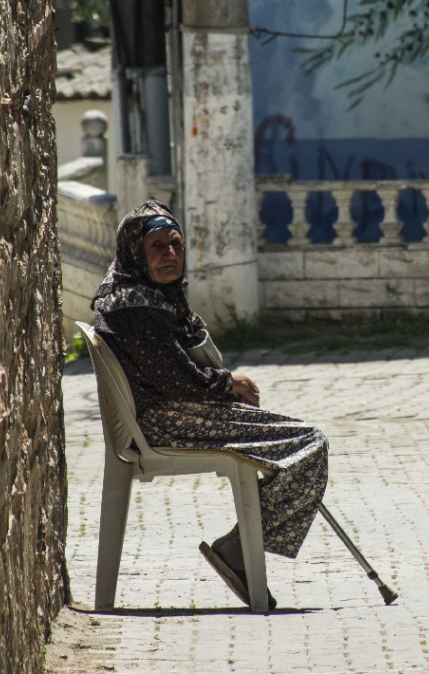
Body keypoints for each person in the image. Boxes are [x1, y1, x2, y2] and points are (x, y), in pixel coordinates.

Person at [91, 200, 328, 609]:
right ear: (136, 253)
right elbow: (175, 379)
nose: (169, 254)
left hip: (176, 413)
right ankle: (237, 551)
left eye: (175, 244)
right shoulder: (134, 305)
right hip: (165, 422)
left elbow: (180, 362)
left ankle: (240, 548)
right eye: (157, 247)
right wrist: (227, 384)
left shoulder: (149, 294)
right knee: (309, 444)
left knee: (295, 440)